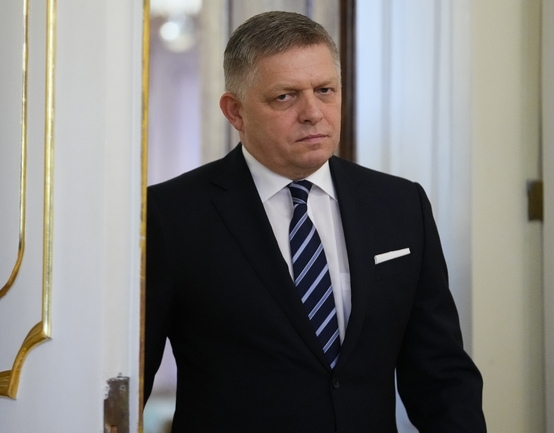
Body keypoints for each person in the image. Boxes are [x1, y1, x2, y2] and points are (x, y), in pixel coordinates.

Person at [144, 10, 486, 433]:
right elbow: (132, 379)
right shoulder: (170, 215)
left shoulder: (400, 204)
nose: (313, 112)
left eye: (325, 90)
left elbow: (441, 373)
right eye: (285, 97)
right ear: (235, 112)